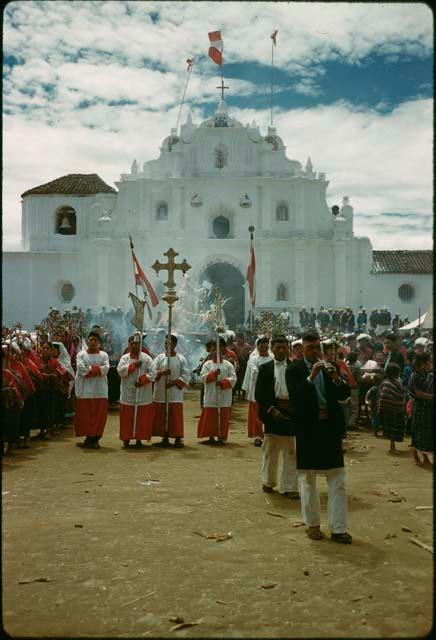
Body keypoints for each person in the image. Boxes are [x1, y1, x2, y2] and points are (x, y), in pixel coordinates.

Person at [287, 331, 352, 543]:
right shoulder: (293, 369)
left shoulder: (330, 367)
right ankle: (312, 524)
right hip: (307, 429)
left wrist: (335, 378)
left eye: (317, 348)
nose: (315, 352)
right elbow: (295, 398)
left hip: (329, 428)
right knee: (308, 479)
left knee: (338, 478)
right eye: (310, 348)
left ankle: (338, 528)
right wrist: (311, 376)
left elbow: (344, 395)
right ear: (301, 349)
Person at [254, 335, 299, 499]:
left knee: (291, 451)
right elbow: (259, 393)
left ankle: (290, 486)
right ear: (272, 349)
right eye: (278, 347)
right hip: (272, 413)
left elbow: (301, 390)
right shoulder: (265, 368)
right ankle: (268, 482)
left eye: (284, 347)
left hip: (292, 414)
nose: (281, 350)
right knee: (270, 450)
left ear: (288, 349)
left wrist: (294, 406)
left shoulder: (296, 367)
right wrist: (272, 409)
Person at [117, 334, 155, 449]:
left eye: (136, 343)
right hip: (128, 392)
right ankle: (126, 438)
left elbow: (153, 373)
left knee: (141, 417)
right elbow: (120, 371)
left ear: (140, 345)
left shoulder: (146, 358)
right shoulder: (125, 358)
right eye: (132, 343)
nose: (134, 345)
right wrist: (133, 365)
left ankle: (139, 438)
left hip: (142, 392)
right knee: (128, 417)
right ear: (129, 345)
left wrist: (142, 380)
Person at [152, 334, 190, 448]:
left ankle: (178, 438)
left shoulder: (181, 358)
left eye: (169, 343)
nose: (167, 345)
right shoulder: (159, 358)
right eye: (165, 343)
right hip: (162, 391)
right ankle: (165, 437)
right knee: (163, 415)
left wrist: (174, 382)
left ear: (175, 344)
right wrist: (162, 372)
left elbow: (186, 375)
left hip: (175, 393)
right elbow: (152, 372)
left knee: (175, 415)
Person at [197, 337, 237, 445]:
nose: (214, 352)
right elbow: (202, 377)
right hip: (211, 394)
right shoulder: (207, 364)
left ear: (222, 350)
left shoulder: (228, 365)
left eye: (217, 349)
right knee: (210, 416)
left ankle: (222, 436)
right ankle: (210, 436)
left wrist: (223, 383)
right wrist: (213, 375)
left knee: (223, 416)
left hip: (224, 395)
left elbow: (233, 379)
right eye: (213, 349)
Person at [74, 331, 110, 449]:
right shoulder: (81, 354)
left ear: (99, 342)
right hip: (85, 390)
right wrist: (96, 370)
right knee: (86, 416)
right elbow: (81, 370)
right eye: (91, 340)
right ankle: (88, 437)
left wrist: (90, 369)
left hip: (100, 390)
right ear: (87, 341)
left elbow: (106, 369)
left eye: (95, 340)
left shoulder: (104, 355)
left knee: (99, 416)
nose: (93, 342)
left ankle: (96, 438)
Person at [242, 336, 272, 446]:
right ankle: (258, 436)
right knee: (256, 414)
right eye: (261, 346)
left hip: (269, 390)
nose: (263, 348)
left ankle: (268, 435)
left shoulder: (272, 358)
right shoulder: (253, 359)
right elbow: (252, 374)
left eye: (265, 346)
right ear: (257, 347)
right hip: (256, 389)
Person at [408, 353, 433, 465]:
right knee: (418, 431)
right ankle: (415, 454)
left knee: (426, 433)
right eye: (429, 361)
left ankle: (425, 457)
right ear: (423, 363)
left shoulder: (427, 374)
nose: (430, 363)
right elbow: (418, 394)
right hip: (420, 408)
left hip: (428, 408)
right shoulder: (415, 376)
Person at [377, 363, 406, 454]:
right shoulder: (387, 383)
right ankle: (392, 448)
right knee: (392, 429)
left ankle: (392, 446)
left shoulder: (396, 381)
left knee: (395, 428)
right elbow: (384, 397)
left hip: (397, 409)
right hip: (390, 410)